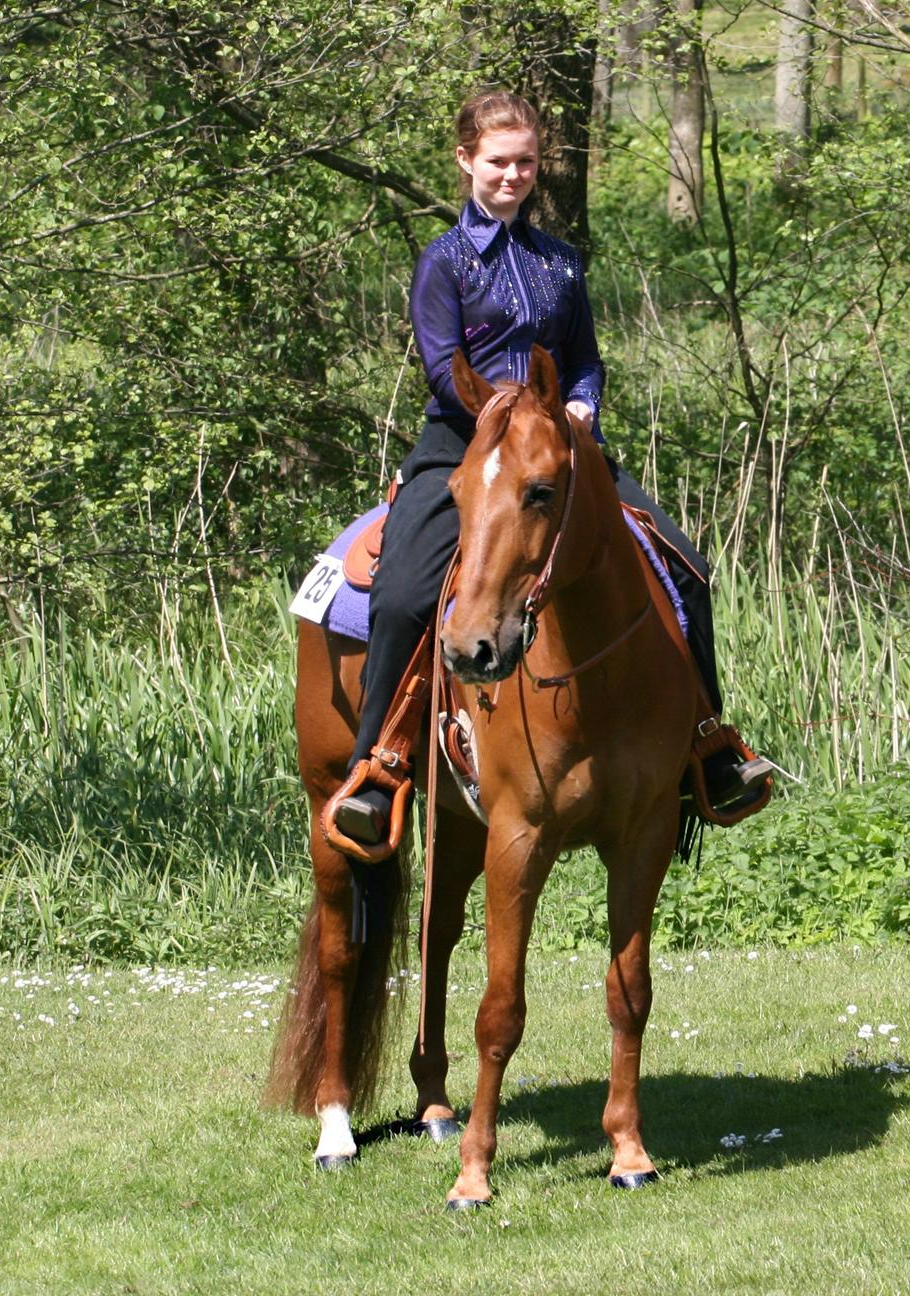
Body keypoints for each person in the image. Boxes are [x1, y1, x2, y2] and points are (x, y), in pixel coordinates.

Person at [331, 90, 771, 850]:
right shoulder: (443, 263)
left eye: (526, 162)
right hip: (464, 444)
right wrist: (512, 419)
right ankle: (382, 763)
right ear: (467, 160)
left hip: (563, 454)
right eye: (498, 161)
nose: (512, 175)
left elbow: (586, 360)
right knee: (403, 592)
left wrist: (581, 409)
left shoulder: (562, 264)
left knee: (687, 569)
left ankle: (706, 745)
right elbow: (445, 370)